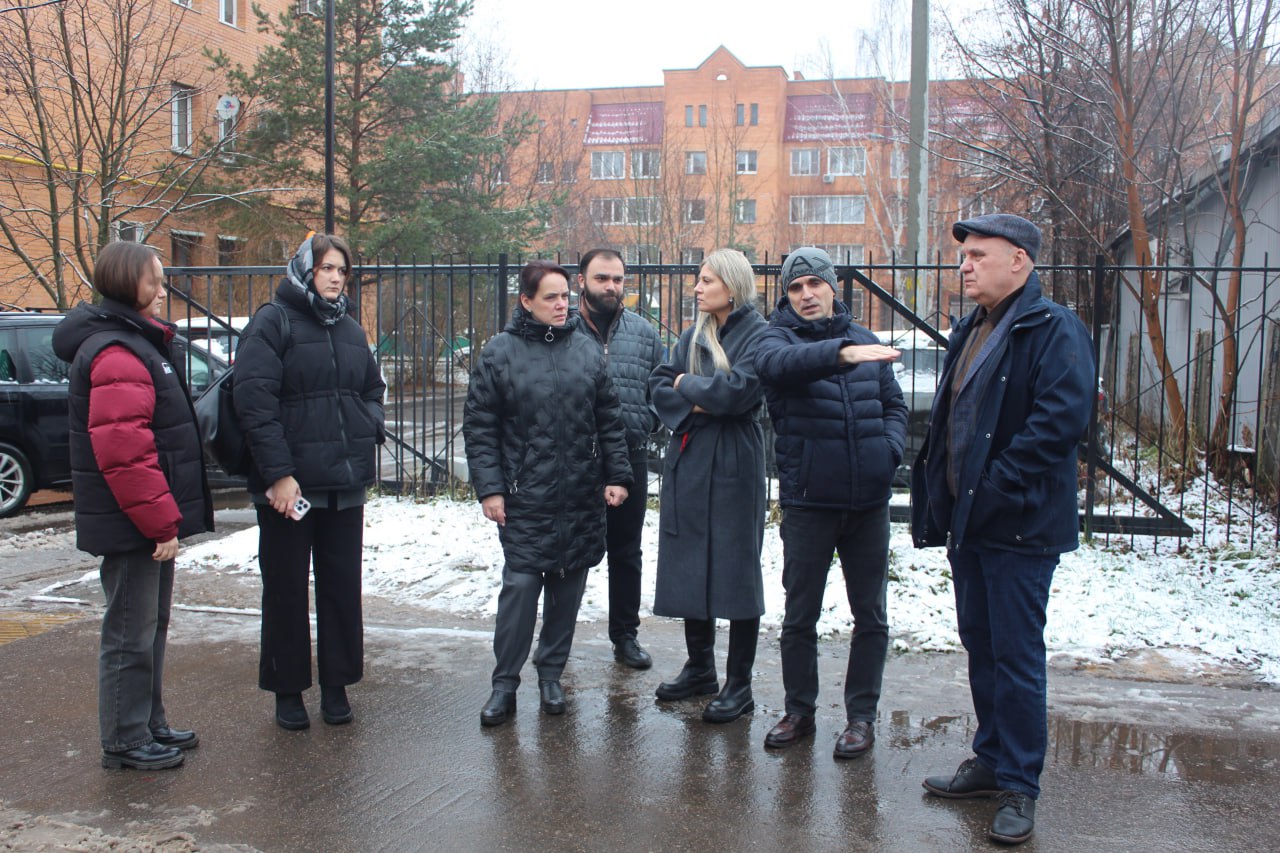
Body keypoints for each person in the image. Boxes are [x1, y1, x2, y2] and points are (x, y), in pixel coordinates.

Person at [911, 214, 1094, 845]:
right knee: (982, 646)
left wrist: (995, 489)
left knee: (1016, 657)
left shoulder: (1052, 328)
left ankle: (1020, 784)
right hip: (973, 525)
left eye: (978, 255)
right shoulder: (974, 328)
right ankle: (991, 759)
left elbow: (1060, 423)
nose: (964, 265)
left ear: (1020, 261)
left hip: (1018, 527)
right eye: (964, 256)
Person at [52, 241, 214, 770]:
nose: (163, 289)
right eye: (155, 279)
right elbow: (124, 453)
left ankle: (148, 721)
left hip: (143, 519)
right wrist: (160, 522)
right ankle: (124, 738)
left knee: (151, 625)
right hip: (132, 524)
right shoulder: (116, 352)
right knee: (129, 631)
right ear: (129, 283)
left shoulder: (135, 341)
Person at [754, 247, 908, 758]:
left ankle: (861, 717)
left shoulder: (866, 341)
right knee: (801, 616)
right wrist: (839, 354)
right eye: (795, 288)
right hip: (808, 503)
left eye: (814, 284)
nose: (805, 295)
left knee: (872, 617)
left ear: (832, 286)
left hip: (868, 503)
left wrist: (889, 451)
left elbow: (893, 404)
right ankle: (799, 710)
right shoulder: (774, 338)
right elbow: (779, 366)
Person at [464, 260, 632, 726]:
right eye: (550, 298)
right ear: (526, 302)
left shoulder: (586, 350)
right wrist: (490, 489)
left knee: (567, 591)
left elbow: (609, 419)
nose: (561, 305)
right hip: (525, 498)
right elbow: (480, 428)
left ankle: (551, 674)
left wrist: (616, 476)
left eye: (564, 296)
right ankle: (505, 684)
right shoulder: (500, 352)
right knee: (519, 590)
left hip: (579, 497)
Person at [234, 233, 386, 731]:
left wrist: (369, 425)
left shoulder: (349, 328)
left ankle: (337, 686)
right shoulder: (272, 323)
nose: (336, 277)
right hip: (289, 491)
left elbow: (371, 388)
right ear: (304, 270)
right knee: (285, 591)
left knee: (342, 590)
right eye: (326, 268)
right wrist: (278, 475)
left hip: (344, 486)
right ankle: (287, 689)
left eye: (342, 269)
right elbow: (255, 403)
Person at [649, 248, 768, 724]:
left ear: (732, 286)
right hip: (690, 457)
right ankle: (700, 668)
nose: (697, 289)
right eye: (698, 281)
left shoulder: (761, 335)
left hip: (735, 460)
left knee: (737, 569)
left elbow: (737, 394)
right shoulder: (692, 334)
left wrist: (687, 387)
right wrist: (697, 395)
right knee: (690, 560)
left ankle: (739, 684)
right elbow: (657, 384)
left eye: (706, 281)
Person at [572, 249, 663, 670]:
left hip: (629, 457)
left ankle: (625, 636)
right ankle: (558, 637)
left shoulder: (643, 334)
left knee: (626, 552)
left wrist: (647, 421)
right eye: (602, 278)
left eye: (618, 279)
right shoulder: (563, 330)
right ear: (581, 282)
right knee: (568, 550)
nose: (611, 286)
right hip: (574, 460)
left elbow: (663, 389)